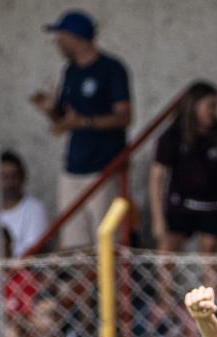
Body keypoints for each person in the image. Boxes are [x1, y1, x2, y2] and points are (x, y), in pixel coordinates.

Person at [30, 10, 132, 250]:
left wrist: (85, 122)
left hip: (104, 167)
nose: (57, 42)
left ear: (76, 37)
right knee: (74, 245)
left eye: (61, 36)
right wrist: (51, 110)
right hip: (74, 167)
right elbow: (67, 120)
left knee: (106, 242)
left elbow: (124, 116)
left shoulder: (111, 69)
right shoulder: (71, 71)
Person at [150, 81, 217, 254]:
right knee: (167, 251)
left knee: (209, 254)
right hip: (180, 204)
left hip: (212, 205)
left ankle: (207, 278)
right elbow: (157, 177)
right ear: (194, 105)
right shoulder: (173, 135)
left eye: (216, 106)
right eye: (210, 106)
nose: (213, 111)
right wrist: (157, 217)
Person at [0, 151, 50, 258]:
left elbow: (33, 253)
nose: (9, 182)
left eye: (14, 176)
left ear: (23, 177)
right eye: (4, 177)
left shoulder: (35, 209)